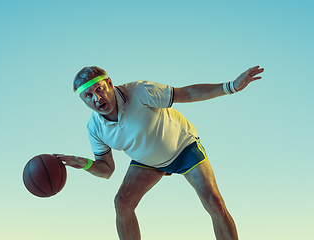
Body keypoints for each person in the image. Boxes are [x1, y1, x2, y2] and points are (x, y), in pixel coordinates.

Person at [54, 65, 264, 240]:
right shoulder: (95, 128)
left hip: (183, 147)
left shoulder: (140, 91)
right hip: (148, 161)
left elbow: (186, 93)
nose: (96, 98)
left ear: (109, 83)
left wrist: (230, 87)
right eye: (88, 96)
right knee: (122, 203)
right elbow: (107, 170)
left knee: (214, 202)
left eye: (99, 89)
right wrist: (85, 163)